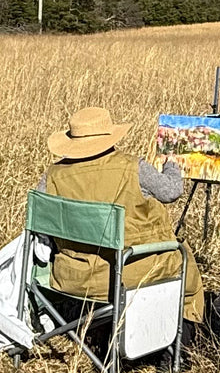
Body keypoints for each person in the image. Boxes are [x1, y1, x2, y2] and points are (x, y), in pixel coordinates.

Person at [37, 107, 205, 337]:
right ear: (109, 136)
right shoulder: (132, 168)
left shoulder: (53, 175)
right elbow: (171, 192)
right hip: (134, 270)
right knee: (184, 260)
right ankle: (177, 343)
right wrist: (171, 164)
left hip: (74, 276)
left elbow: (40, 220)